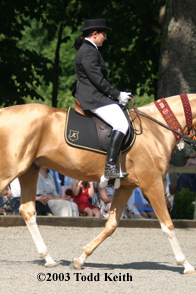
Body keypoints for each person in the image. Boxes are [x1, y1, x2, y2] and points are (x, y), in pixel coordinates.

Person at [73, 19, 132, 179]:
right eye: (103, 34)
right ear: (94, 34)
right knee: (121, 124)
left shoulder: (89, 50)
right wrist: (117, 95)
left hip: (95, 95)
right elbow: (97, 79)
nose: (105, 38)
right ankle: (110, 167)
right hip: (93, 98)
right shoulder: (88, 51)